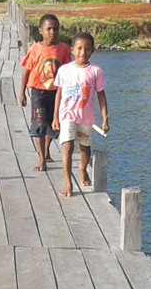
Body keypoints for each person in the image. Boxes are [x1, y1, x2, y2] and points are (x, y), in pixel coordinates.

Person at [52, 31, 109, 198]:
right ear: (72, 50)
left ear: (92, 51)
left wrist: (105, 118)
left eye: (87, 49)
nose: (83, 52)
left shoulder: (95, 71)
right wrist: (55, 117)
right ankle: (68, 184)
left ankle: (83, 169)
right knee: (67, 147)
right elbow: (59, 94)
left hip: (86, 117)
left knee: (85, 149)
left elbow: (101, 95)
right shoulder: (64, 70)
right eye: (79, 48)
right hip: (67, 115)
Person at [19, 14, 72, 172]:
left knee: (52, 124)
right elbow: (27, 71)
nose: (52, 32)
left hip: (57, 93)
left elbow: (68, 71)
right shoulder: (35, 49)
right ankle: (42, 158)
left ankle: (47, 150)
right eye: (48, 29)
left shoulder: (63, 49)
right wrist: (22, 92)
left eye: (55, 29)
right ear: (41, 31)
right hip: (38, 92)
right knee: (39, 123)